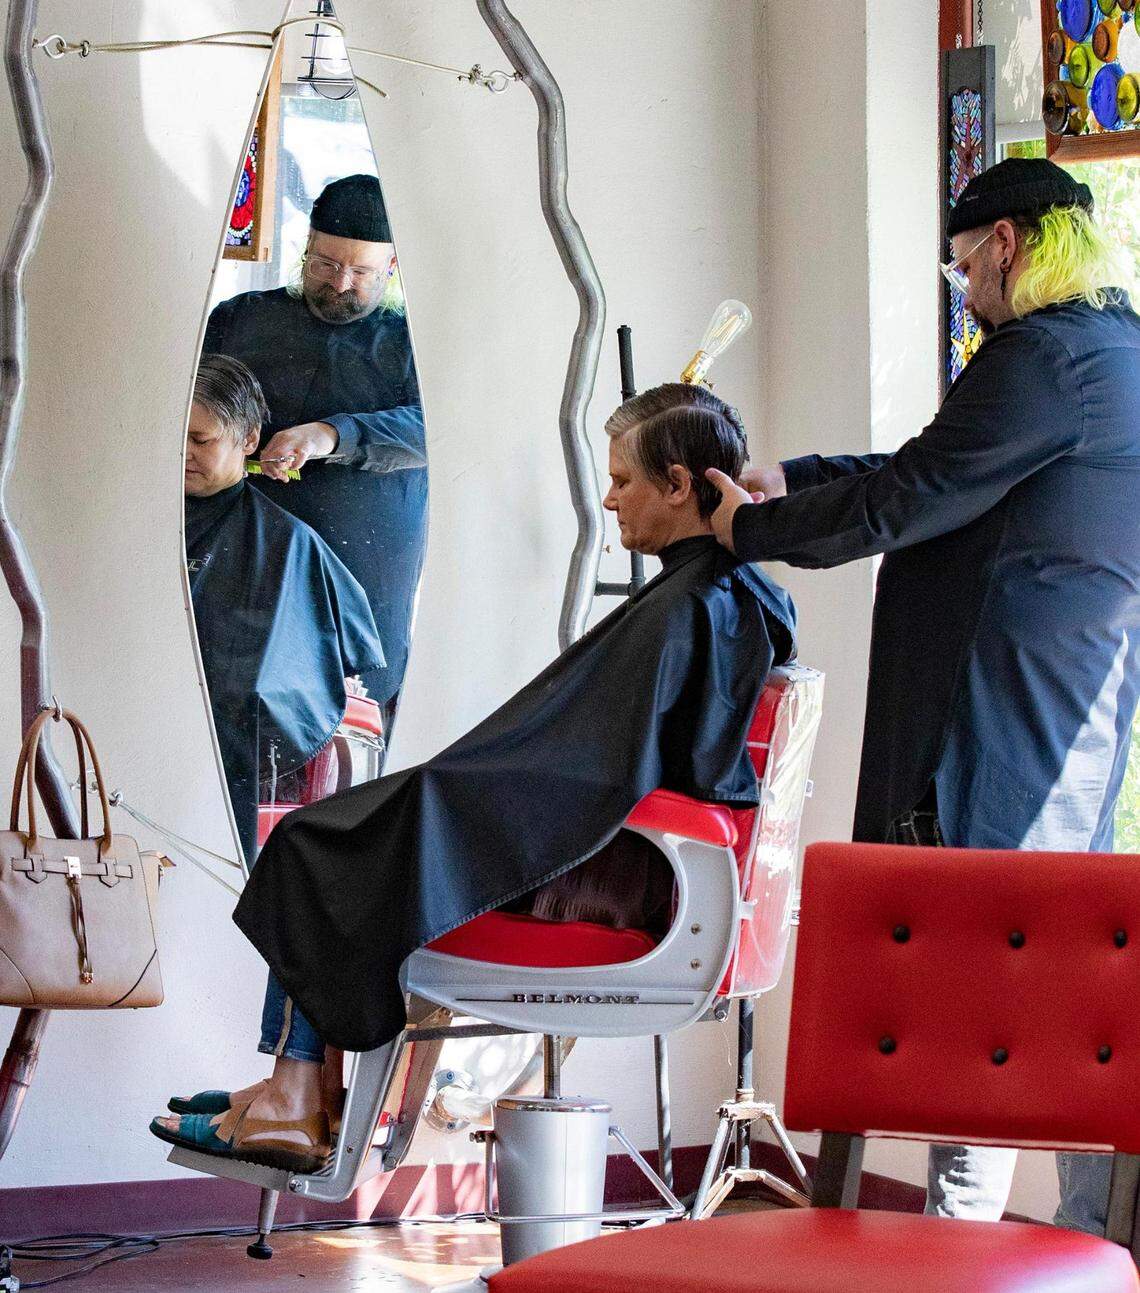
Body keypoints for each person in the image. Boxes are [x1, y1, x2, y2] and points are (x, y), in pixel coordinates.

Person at [151, 382, 797, 1173]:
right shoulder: (722, 590)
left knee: (318, 843)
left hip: (609, 865)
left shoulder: (694, 601)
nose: (609, 497)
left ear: (677, 485)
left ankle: (294, 1094)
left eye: (624, 480)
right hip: (608, 839)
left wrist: (460, 786)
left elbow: (601, 765)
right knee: (333, 835)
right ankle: (301, 1090)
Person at [704, 157, 1140, 1234]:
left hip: (998, 724)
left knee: (985, 1002)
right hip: (1066, 719)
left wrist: (745, 532)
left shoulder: (1041, 357)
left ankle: (978, 1249)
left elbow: (916, 495)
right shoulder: (1108, 350)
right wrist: (797, 478)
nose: (967, 295)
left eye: (962, 272)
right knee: (1046, 996)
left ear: (1008, 246)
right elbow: (941, 466)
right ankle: (1076, 1244)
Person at [204, 173, 425, 715]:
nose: (342, 283)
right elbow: (192, 405)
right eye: (327, 264)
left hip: (367, 564)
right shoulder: (240, 320)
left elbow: (433, 430)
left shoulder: (413, 342)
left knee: (357, 719)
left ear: (391, 266)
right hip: (248, 554)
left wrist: (332, 435)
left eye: (362, 270)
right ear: (307, 247)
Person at [185, 354, 385, 862]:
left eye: (200, 440)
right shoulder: (123, 521)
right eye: (172, 436)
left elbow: (294, 681)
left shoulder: (288, 545)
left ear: (249, 439)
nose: (181, 453)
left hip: (220, 763)